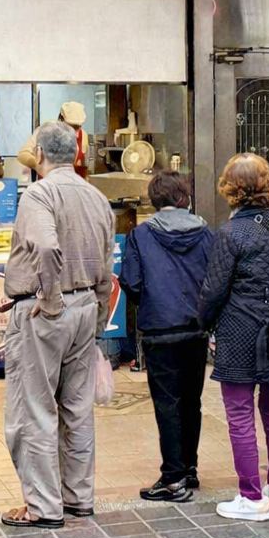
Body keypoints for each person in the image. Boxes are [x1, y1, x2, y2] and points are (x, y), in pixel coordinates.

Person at [1, 122, 115, 529]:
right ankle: (78, 497)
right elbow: (107, 265)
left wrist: (49, 298)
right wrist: (96, 315)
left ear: (40, 154)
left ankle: (43, 506)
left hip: (47, 313)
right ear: (76, 155)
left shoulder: (39, 193)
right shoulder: (96, 197)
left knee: (34, 410)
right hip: (85, 308)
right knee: (77, 410)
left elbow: (47, 247)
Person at [198, 153, 269, 522]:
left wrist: (203, 323)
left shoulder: (230, 233)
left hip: (241, 327)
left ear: (229, 188)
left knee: (239, 412)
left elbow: (214, 289)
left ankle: (251, 496)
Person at [118, 171, 214, 503]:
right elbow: (216, 279)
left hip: (159, 329)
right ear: (183, 197)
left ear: (155, 199)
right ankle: (189, 467)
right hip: (196, 328)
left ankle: (173, 477)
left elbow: (131, 281)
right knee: (192, 400)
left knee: (167, 403)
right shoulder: (206, 234)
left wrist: (151, 302)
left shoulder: (141, 236)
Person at [17, 102, 90, 179]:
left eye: (77, 127)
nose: (73, 131)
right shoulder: (46, 132)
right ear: (61, 119)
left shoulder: (83, 136)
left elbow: (84, 164)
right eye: (70, 126)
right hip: (47, 183)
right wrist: (38, 166)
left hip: (71, 183)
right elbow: (23, 154)